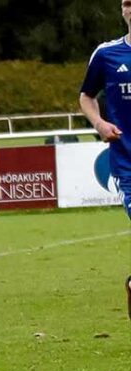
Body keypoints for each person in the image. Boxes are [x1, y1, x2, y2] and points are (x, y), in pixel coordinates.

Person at [80, 0, 131, 219]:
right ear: (123, 11)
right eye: (127, 4)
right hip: (126, 163)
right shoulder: (106, 54)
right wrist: (99, 123)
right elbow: (86, 96)